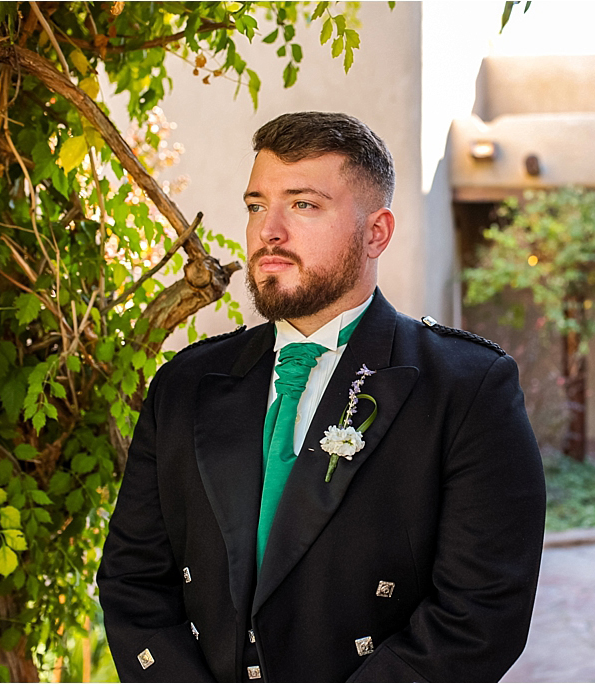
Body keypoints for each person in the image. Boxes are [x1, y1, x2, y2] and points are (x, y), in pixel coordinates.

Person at [98, 112, 545, 682]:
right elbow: (132, 582)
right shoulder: (185, 385)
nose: (269, 232)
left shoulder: (466, 387)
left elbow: (480, 612)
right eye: (257, 205)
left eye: (303, 205)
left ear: (376, 233)